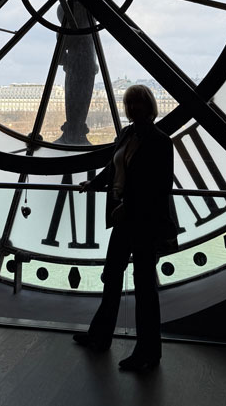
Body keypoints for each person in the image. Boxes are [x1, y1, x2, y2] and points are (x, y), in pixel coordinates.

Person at [73, 84, 176, 372]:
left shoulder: (127, 136)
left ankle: (101, 336)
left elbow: (116, 170)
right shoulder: (158, 141)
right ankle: (147, 351)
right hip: (139, 222)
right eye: (130, 105)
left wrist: (104, 190)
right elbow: (158, 188)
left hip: (128, 220)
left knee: (113, 278)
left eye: (134, 104)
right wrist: (98, 185)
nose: (132, 109)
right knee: (143, 287)